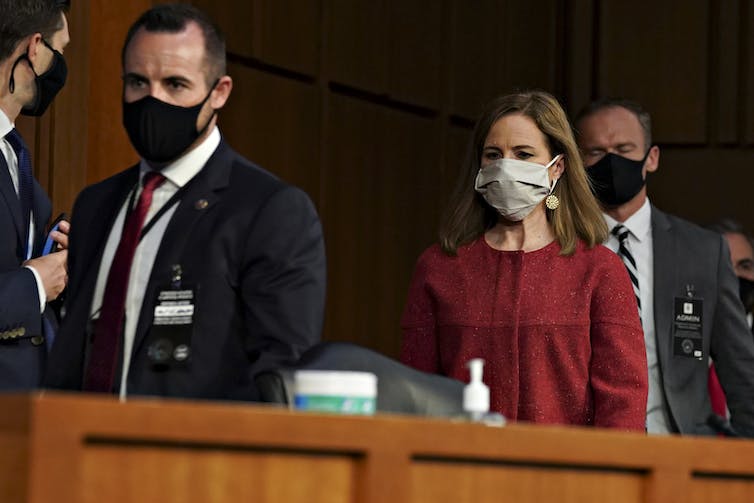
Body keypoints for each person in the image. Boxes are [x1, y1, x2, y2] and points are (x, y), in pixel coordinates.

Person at [45, 4, 326, 401]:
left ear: (219, 93)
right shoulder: (97, 205)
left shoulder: (270, 211)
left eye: (175, 84)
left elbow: (280, 378)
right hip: (78, 449)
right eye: (138, 83)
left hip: (195, 458)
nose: (153, 99)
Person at [400, 91, 648, 430]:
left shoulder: (598, 270)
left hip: (569, 474)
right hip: (461, 472)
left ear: (557, 167)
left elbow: (623, 403)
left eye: (523, 154)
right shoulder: (440, 267)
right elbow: (416, 392)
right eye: (493, 154)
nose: (505, 166)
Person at [575, 98, 754, 436]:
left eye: (624, 148)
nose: (611, 160)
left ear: (651, 158)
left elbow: (741, 369)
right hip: (589, 445)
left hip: (681, 445)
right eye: (596, 152)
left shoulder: (702, 251)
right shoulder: (563, 248)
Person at [0, 0, 70, 390]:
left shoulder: (14, 153)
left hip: (29, 417)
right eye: (61, 51)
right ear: (35, 47)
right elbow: (27, 283)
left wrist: (59, 262)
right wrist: (34, 284)